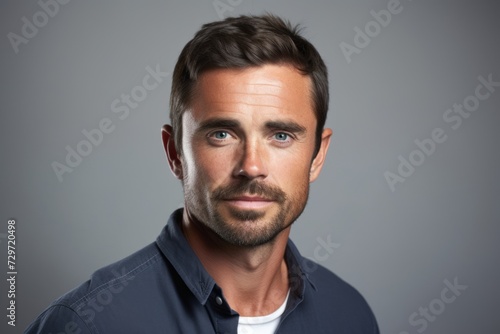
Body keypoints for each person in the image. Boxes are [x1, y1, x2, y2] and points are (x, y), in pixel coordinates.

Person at [26, 14, 379, 333]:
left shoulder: (349, 315)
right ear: (175, 152)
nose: (251, 166)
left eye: (281, 136)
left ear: (317, 155)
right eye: (221, 134)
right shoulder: (86, 325)